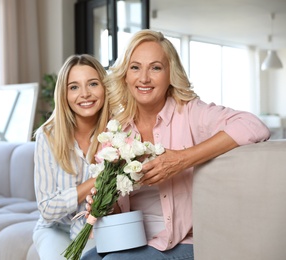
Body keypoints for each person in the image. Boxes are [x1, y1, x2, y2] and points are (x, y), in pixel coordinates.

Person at [81, 29, 270, 259]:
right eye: (135, 67)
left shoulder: (190, 112)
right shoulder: (116, 130)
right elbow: (120, 211)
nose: (144, 78)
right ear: (125, 75)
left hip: (181, 243)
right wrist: (107, 205)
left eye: (156, 67)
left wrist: (181, 160)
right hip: (131, 238)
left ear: (170, 73)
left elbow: (252, 125)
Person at [33, 54, 110, 260]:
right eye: (74, 87)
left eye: (93, 84)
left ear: (105, 87)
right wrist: (94, 182)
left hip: (96, 228)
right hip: (54, 228)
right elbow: (47, 208)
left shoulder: (117, 133)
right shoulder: (47, 136)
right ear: (64, 94)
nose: (85, 94)